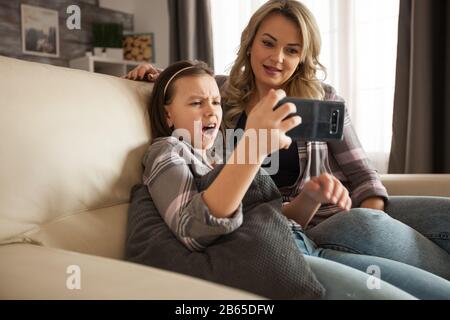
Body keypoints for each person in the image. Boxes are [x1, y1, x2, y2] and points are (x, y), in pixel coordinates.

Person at [125, 1, 450, 298]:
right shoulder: (223, 94)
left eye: (291, 50)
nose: (277, 58)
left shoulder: (322, 99)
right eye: (268, 43)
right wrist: (153, 75)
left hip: (329, 210)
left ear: (303, 57)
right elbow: (186, 92)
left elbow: (364, 175)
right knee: (366, 226)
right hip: (296, 227)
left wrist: (370, 215)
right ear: (250, 42)